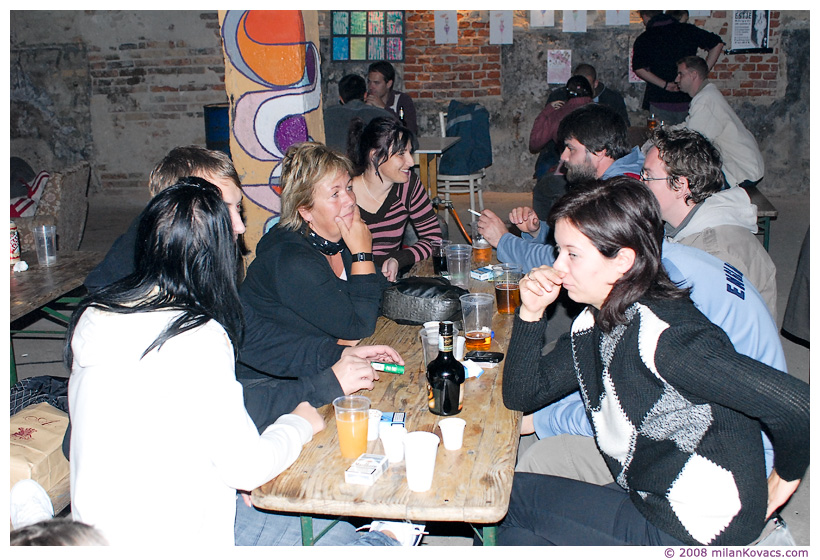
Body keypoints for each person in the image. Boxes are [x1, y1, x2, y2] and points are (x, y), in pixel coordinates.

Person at [65, 179, 403, 547]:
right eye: (228, 212)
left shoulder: (98, 314)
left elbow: (259, 344)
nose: (241, 227)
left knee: (332, 527)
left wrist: (337, 356)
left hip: (95, 535)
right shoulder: (197, 334)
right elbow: (248, 467)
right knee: (349, 537)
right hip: (174, 538)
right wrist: (298, 423)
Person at [498, 177, 809, 546]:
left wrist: (781, 482)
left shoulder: (668, 339)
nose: (557, 266)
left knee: (510, 500)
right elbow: (523, 396)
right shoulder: (600, 320)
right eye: (559, 251)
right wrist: (530, 313)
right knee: (516, 533)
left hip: (698, 525)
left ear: (622, 261)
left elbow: (798, 405)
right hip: (653, 491)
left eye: (572, 254)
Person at [479, 103, 644, 265]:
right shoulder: (618, 180)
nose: (563, 157)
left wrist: (503, 240)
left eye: (571, 148)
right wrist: (537, 231)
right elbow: (574, 240)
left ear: (599, 151)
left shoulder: (616, 196)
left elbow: (567, 262)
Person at [642, 127, 777, 318]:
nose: (642, 184)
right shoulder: (685, 225)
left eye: (648, 177)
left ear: (680, 185)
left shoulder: (714, 253)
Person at [84, 146, 246, 291]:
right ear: (175, 209)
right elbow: (100, 288)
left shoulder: (216, 246)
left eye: (238, 206)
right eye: (223, 209)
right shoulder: (134, 264)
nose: (240, 227)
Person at [347, 116, 442, 280]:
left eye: (410, 152)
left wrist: (398, 259)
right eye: (401, 154)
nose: (411, 162)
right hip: (353, 281)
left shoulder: (408, 185)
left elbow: (434, 240)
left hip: (390, 281)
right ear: (375, 156)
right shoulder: (345, 195)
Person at [674, 55, 765, 188]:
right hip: (745, 166)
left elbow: (693, 142)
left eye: (680, 74)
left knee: (687, 180)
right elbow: (688, 126)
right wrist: (665, 131)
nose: (676, 79)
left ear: (693, 75)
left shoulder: (705, 100)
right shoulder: (707, 94)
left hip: (741, 171)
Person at [632, 10, 724, 125]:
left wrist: (665, 85)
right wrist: (701, 72)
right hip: (689, 97)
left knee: (662, 135)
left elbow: (639, 68)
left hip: (659, 98)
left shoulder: (645, 37)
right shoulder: (687, 30)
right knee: (691, 135)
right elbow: (717, 43)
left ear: (645, 16)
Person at [323, 74, 396, 153]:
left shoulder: (327, 115)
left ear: (341, 98)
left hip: (336, 160)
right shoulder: (384, 116)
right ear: (365, 95)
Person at [528, 75, 593, 158]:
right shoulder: (602, 112)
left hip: (569, 161)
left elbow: (535, 143)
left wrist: (546, 111)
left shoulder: (558, 114)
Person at [366, 60, 418, 135]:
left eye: (376, 83)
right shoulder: (364, 99)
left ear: (389, 84)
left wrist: (384, 108)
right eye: (369, 82)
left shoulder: (402, 100)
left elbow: (410, 131)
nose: (371, 87)